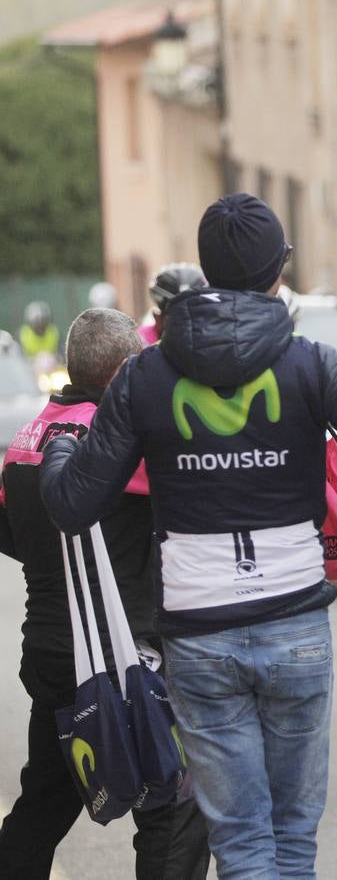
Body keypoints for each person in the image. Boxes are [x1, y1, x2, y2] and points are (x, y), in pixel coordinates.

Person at [36, 193, 337, 879]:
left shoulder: (146, 372)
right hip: (294, 627)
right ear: (278, 272)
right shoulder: (308, 364)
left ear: (203, 270)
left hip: (199, 640)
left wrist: (61, 435)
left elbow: (71, 502)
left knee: (241, 848)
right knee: (292, 839)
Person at [0, 308, 210, 880]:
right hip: (123, 660)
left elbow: (11, 534)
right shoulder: (118, 438)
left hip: (50, 652)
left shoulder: (25, 438)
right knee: (174, 807)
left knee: (43, 806)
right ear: (122, 371)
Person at [140, 263, 208, 346]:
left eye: (195, 313)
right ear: (158, 319)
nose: (186, 323)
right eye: (176, 314)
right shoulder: (141, 341)